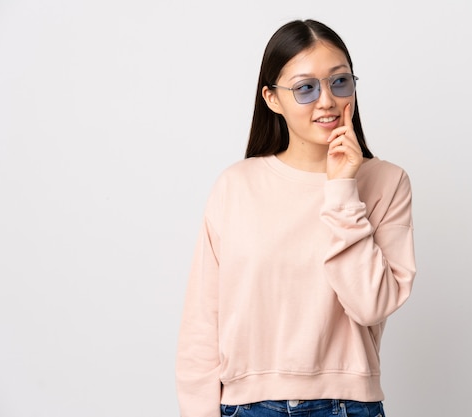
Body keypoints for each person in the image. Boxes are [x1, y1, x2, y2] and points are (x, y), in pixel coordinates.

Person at [175, 19, 416, 417]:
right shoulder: (236, 185)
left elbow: (371, 304)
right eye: (306, 88)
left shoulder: (387, 182)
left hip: (347, 404)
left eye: (340, 82)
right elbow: (202, 325)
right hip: (246, 407)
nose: (327, 101)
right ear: (272, 98)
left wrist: (342, 188)